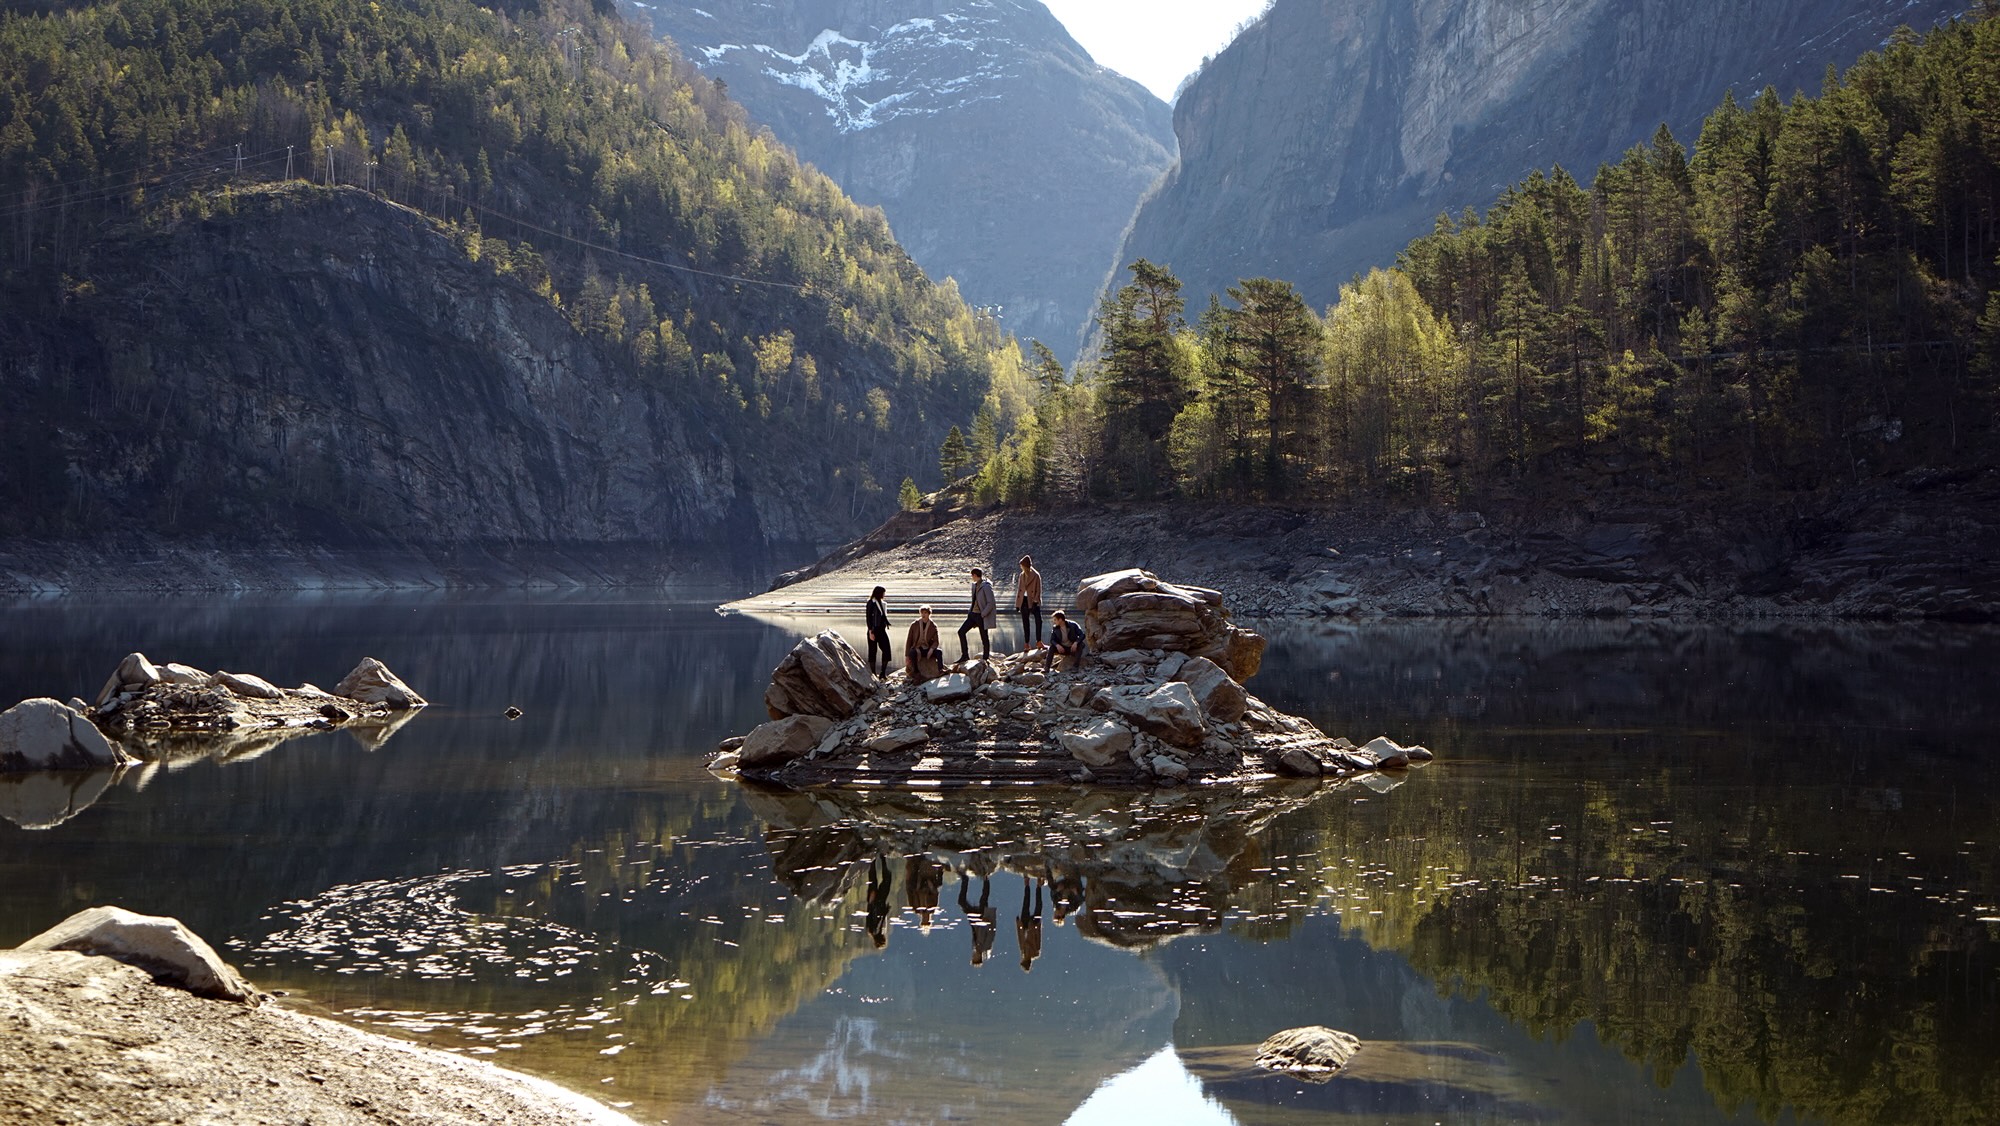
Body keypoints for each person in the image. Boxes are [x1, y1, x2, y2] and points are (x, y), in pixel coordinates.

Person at [956, 567, 997, 663]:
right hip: (973, 614)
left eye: (972, 575)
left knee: (984, 637)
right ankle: (965, 655)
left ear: (975, 575)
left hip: (981, 615)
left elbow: (991, 603)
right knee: (961, 632)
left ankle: (986, 657)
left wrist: (983, 614)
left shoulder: (986, 586)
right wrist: (970, 612)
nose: (972, 577)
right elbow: (974, 600)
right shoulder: (975, 586)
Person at [905, 605, 943, 682]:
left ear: (929, 614)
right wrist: (906, 655)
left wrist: (932, 649)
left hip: (927, 648)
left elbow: (936, 641)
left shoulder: (933, 626)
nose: (923, 615)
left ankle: (940, 670)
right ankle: (916, 672)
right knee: (912, 653)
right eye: (922, 613)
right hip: (917, 648)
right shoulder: (914, 625)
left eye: (925, 613)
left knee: (939, 652)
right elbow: (909, 640)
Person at [1015, 555, 1043, 653]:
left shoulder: (1036, 575)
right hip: (1024, 601)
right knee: (1025, 623)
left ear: (1026, 566)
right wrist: (1017, 604)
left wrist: (1035, 602)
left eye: (1022, 565)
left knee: (1039, 621)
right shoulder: (1021, 575)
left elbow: (1038, 590)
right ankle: (1027, 643)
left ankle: (1038, 641)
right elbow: (1019, 590)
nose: (1021, 567)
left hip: (1033, 601)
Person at [1016, 874, 1044, 973]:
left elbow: (1020, 937)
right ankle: (1038, 885)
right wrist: (1038, 925)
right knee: (1038, 905)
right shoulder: (1035, 952)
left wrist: (1018, 924)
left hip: (1024, 926)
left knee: (1026, 903)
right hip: (1034, 926)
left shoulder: (1023, 951)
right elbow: (1038, 938)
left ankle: (1027, 883)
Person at [865, 586, 893, 677]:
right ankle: (873, 673)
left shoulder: (883, 604)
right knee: (872, 651)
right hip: (873, 630)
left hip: (881, 630)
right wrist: (870, 631)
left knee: (886, 650)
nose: (884, 595)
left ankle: (882, 673)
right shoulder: (871, 603)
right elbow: (868, 618)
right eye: (883, 593)